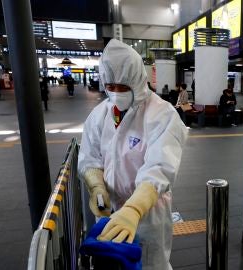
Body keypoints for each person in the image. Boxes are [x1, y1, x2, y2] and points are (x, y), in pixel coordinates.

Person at [78, 39, 188, 270]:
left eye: (123, 87)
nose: (116, 93)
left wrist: (133, 209)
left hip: (147, 211)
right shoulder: (101, 114)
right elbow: (90, 157)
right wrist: (97, 187)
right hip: (109, 209)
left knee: (149, 263)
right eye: (111, 86)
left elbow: (160, 167)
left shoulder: (161, 115)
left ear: (138, 80)